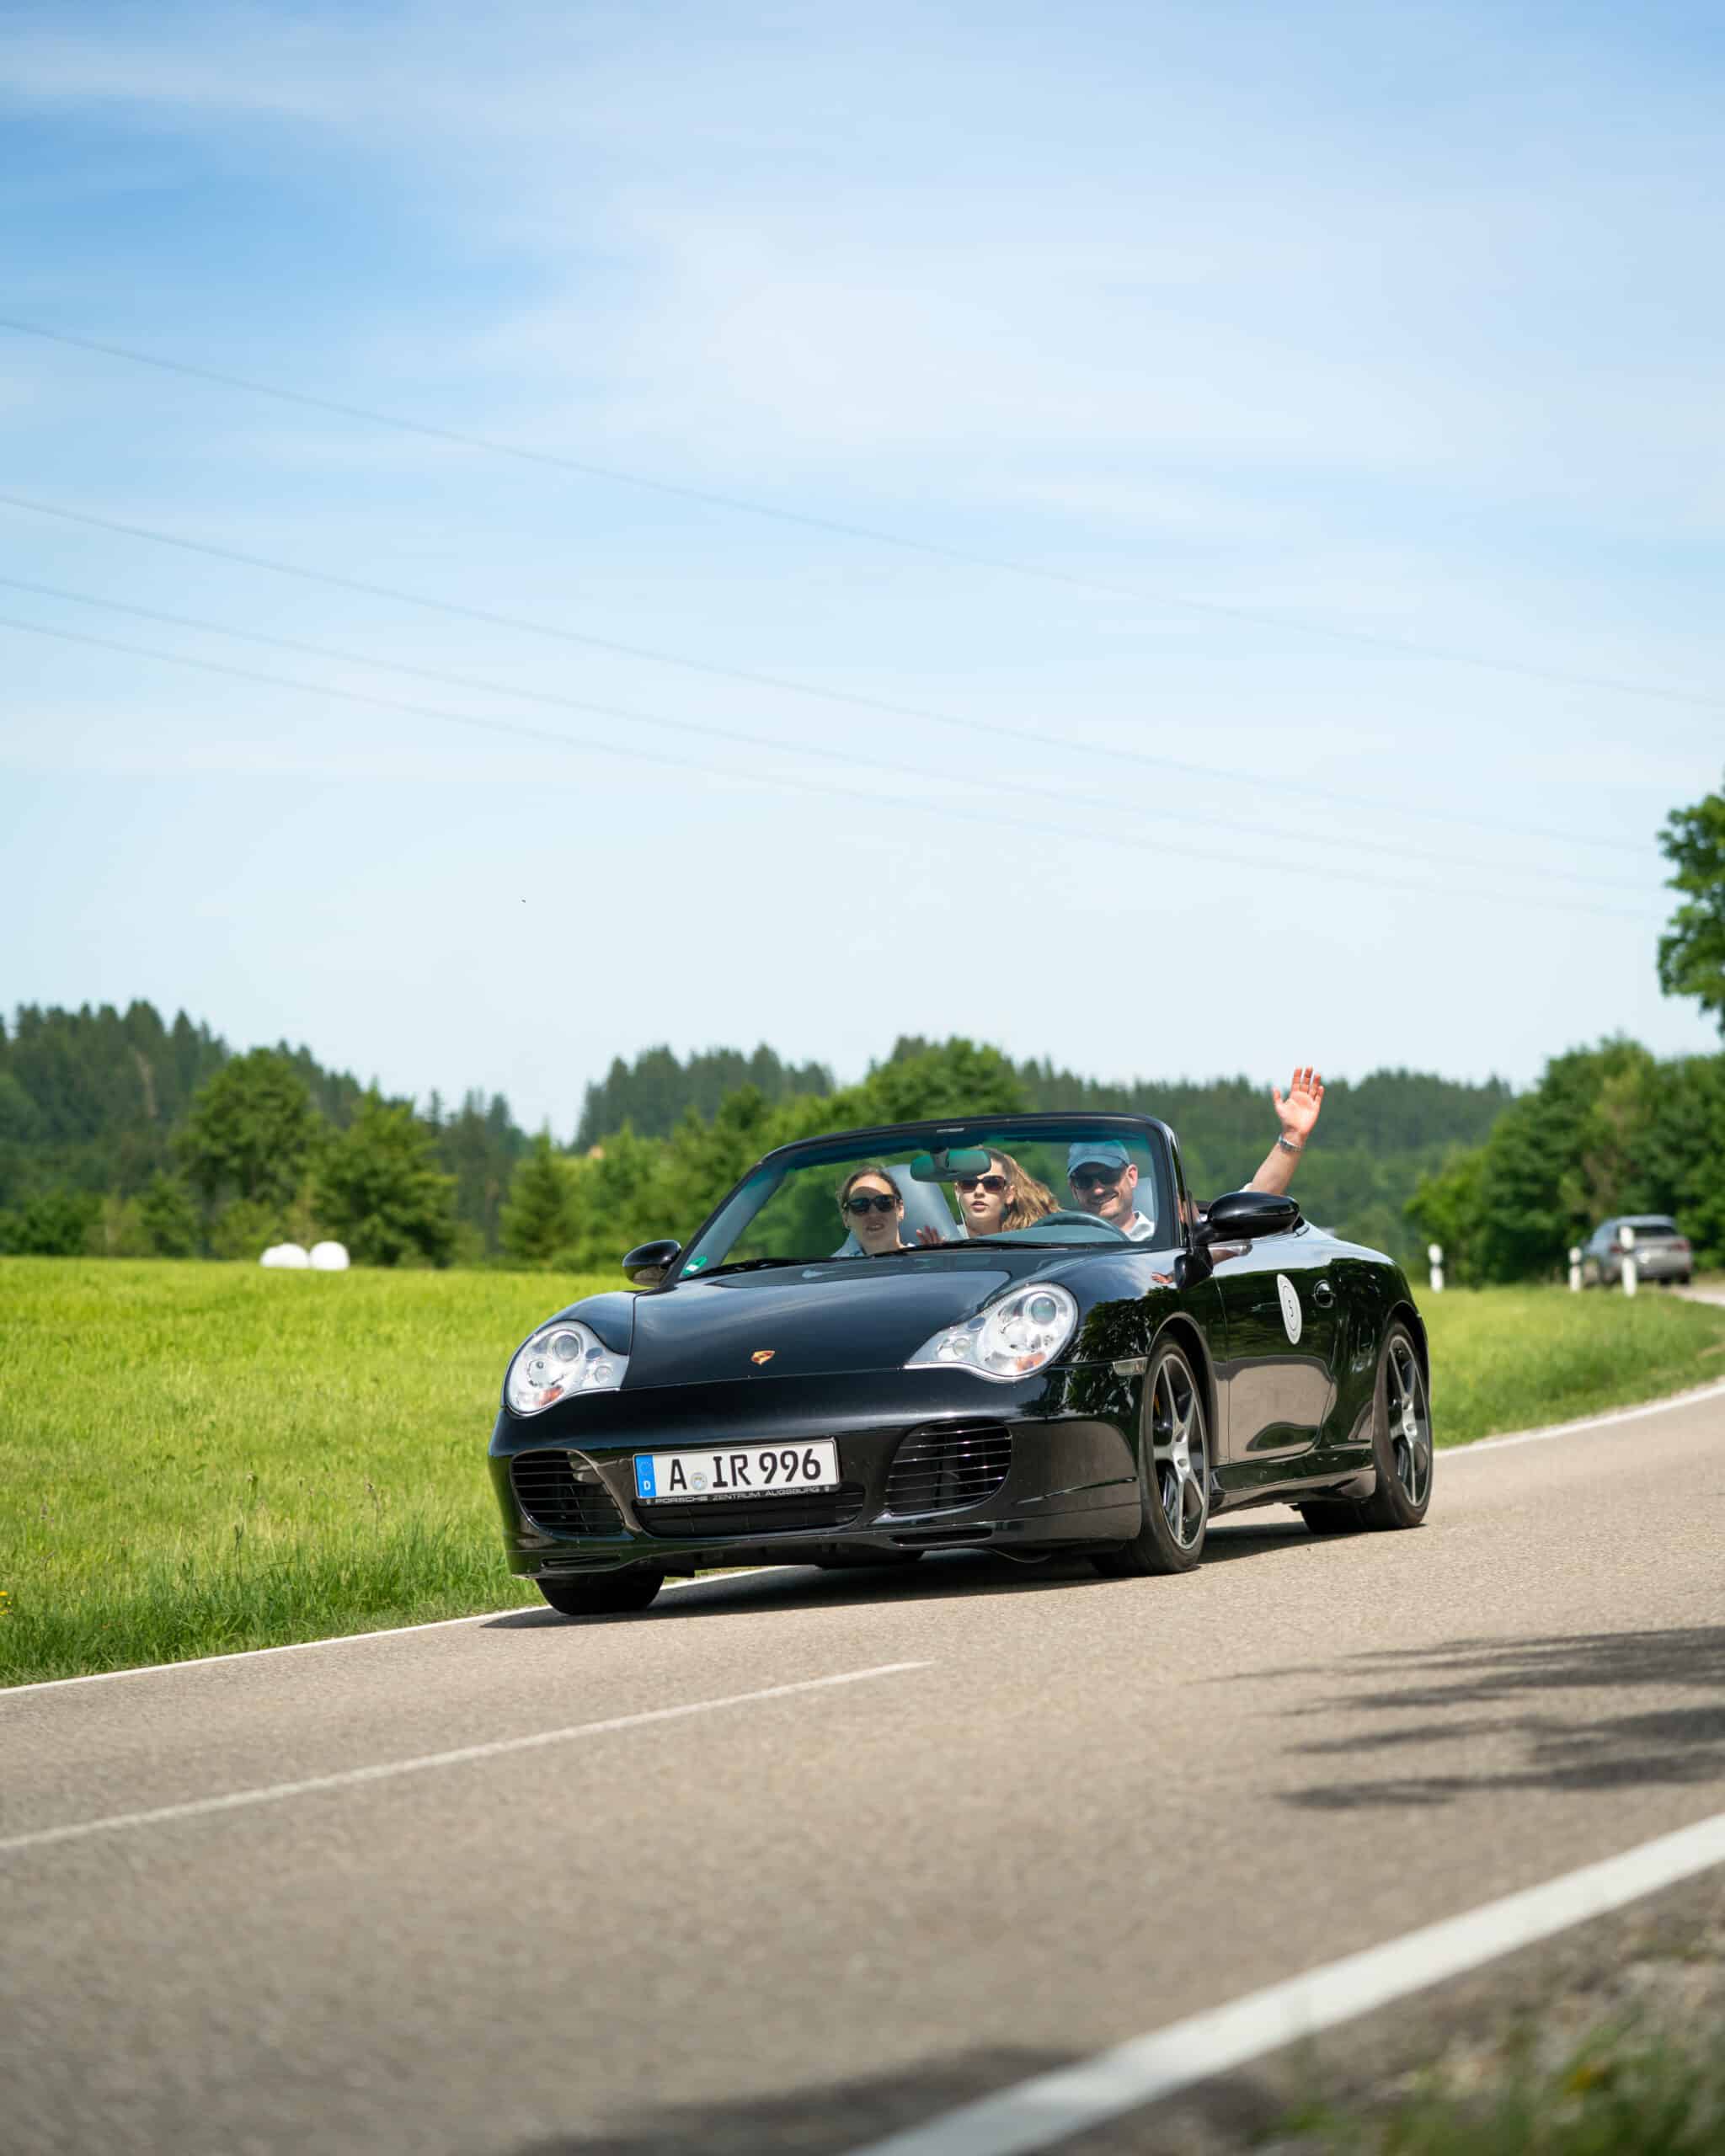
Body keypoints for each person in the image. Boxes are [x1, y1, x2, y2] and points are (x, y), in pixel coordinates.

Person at [1065, 1065, 1327, 1239]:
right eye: (1085, 1180)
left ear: (1132, 1176)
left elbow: (1252, 1203)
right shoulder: (1057, 1244)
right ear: (1073, 1188)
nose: (1098, 1188)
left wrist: (1292, 1137)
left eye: (1108, 1175)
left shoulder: (1175, 1236)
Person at [836, 1163, 911, 1255]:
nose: (873, 1214)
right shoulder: (826, 1268)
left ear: (900, 1209)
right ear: (845, 1218)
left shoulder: (929, 1257)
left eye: (884, 1202)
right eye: (860, 1205)